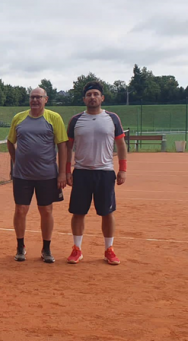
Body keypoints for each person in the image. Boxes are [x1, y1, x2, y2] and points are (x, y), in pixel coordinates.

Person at [65, 81, 128, 265]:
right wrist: (68, 171)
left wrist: (122, 170)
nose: (92, 97)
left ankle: (109, 249)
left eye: (96, 94)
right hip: (81, 173)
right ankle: (77, 249)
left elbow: (121, 145)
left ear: (102, 98)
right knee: (78, 213)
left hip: (105, 173)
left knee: (107, 213)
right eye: (89, 95)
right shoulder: (75, 120)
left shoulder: (113, 118)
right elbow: (68, 147)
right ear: (84, 99)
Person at [7, 87, 68, 263]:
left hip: (47, 175)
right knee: (20, 210)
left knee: (46, 210)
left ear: (45, 99)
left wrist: (62, 173)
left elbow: (62, 145)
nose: (35, 100)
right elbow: (10, 142)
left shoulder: (54, 118)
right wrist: (15, 160)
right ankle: (20, 247)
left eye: (38, 97)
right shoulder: (19, 118)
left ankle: (46, 249)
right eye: (32, 97)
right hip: (22, 176)